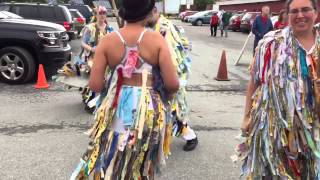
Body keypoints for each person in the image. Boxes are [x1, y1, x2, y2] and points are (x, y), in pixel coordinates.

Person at [70, 0, 179, 179]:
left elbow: (95, 85)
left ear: (122, 13)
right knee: (141, 162)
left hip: (117, 107)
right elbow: (173, 84)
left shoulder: (108, 40)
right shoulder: (157, 39)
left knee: (115, 158)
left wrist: (114, 79)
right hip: (149, 110)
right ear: (147, 12)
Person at [236, 0, 320, 179]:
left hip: (313, 131)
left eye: (305, 10)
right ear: (287, 14)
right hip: (273, 129)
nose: (300, 15)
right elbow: (254, 81)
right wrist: (246, 117)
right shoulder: (271, 43)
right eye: (294, 11)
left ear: (316, 12)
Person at [146, 7, 198, 151]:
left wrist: (172, 77)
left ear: (154, 11)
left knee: (175, 109)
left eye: (146, 13)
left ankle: (191, 137)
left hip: (170, 76)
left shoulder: (164, 28)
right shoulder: (155, 27)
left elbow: (172, 56)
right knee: (166, 109)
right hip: (163, 76)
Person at [54, 6, 113, 113]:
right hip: (91, 59)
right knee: (91, 79)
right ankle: (89, 100)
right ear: (96, 15)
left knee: (105, 80)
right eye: (100, 13)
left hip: (105, 60)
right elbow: (83, 42)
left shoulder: (110, 29)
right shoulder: (90, 28)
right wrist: (92, 49)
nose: (102, 15)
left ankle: (101, 101)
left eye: (104, 13)